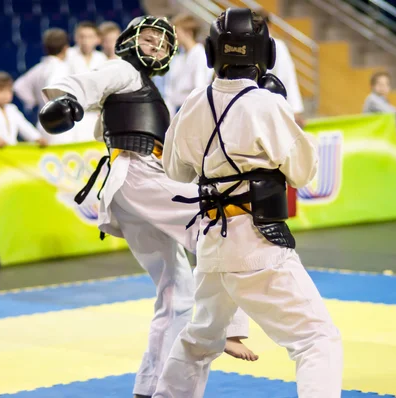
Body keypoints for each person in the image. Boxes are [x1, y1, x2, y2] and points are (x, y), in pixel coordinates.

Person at [39, 15, 255, 398]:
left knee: (177, 293)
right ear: (129, 41)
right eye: (150, 39)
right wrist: (68, 100)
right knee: (218, 223)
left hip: (140, 185)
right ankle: (231, 328)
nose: (156, 46)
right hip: (137, 175)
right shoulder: (122, 70)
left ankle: (150, 388)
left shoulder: (151, 90)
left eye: (163, 44)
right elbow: (90, 82)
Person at [153, 8, 343, 398]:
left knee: (198, 341)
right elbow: (304, 172)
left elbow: (175, 171)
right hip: (257, 242)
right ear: (266, 54)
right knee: (316, 339)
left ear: (211, 53)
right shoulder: (265, 104)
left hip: (211, 245)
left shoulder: (192, 103)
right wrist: (279, 108)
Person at [0, 72, 47, 148]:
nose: (5, 94)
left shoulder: (12, 109)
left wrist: (37, 138)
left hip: (11, 150)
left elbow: (24, 125)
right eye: (1, 90)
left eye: (8, 90)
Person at [164, 13, 212, 116]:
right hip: (176, 108)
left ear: (188, 32)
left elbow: (200, 86)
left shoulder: (199, 54)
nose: (174, 36)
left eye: (177, 32)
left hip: (191, 108)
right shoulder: (179, 57)